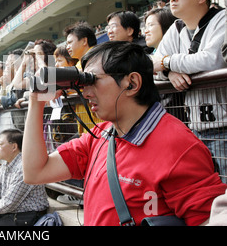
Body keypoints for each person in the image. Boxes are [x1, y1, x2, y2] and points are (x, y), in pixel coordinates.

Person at [22, 41, 227, 226]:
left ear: (132, 83)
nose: (86, 92)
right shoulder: (101, 135)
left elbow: (206, 219)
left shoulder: (178, 146)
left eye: (94, 80)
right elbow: (35, 172)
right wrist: (36, 103)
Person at [152, 0, 227, 181]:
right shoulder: (176, 28)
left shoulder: (223, 18)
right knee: (207, 193)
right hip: (194, 129)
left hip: (224, 128)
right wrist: (170, 71)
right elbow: (151, 64)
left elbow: (212, 60)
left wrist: (166, 63)